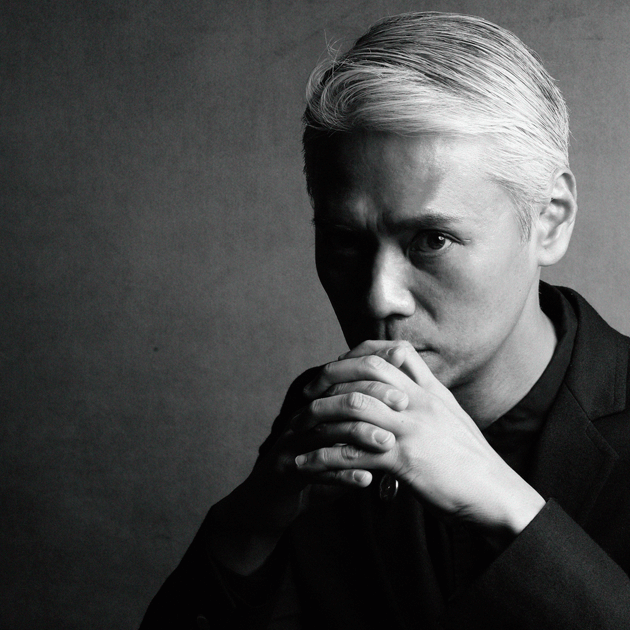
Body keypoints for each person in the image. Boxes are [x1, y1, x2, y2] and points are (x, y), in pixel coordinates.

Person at [140, 12, 630, 629]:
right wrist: (251, 522)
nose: (378, 298)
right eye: (345, 241)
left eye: (431, 240)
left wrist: (508, 508)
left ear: (551, 219)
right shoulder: (324, 412)